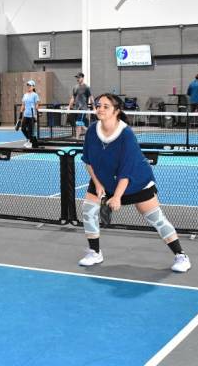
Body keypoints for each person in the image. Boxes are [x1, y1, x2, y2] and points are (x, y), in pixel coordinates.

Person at [78, 93, 191, 272]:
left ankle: (181, 256)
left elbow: (127, 170)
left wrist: (116, 197)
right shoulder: (92, 130)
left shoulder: (126, 134)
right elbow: (88, 160)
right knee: (88, 210)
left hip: (135, 180)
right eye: (98, 105)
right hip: (103, 178)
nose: (100, 109)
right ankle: (95, 252)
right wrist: (98, 184)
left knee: (155, 218)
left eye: (105, 106)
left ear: (116, 111)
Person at [68, 72, 93, 140]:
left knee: (79, 124)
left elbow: (91, 97)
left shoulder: (87, 87)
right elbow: (73, 98)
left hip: (83, 109)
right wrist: (69, 107)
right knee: (78, 125)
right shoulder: (75, 87)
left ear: (82, 78)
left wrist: (94, 108)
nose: (77, 79)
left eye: (78, 77)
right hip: (76, 109)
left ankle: (77, 139)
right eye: (77, 77)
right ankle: (89, 133)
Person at [20, 80, 40, 148]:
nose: (28, 87)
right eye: (28, 85)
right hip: (25, 115)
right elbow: (23, 104)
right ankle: (29, 140)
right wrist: (20, 113)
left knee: (31, 131)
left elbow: (37, 105)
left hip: (32, 115)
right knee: (22, 128)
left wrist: (36, 115)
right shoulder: (25, 95)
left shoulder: (35, 95)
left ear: (33, 87)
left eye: (30, 85)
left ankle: (30, 142)